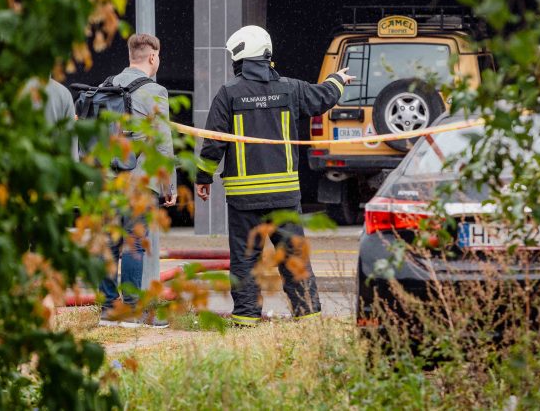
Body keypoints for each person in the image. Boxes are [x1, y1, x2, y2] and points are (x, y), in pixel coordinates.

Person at [195, 25, 354, 326]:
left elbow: (213, 140)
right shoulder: (291, 89)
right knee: (293, 258)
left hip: (244, 199)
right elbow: (323, 98)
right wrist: (338, 80)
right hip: (284, 196)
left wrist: (203, 179)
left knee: (244, 262)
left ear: (241, 57)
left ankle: (246, 319)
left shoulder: (229, 93)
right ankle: (308, 318)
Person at [99, 33, 177, 328]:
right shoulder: (155, 91)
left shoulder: (107, 86)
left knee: (108, 242)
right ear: (153, 57)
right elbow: (163, 143)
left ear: (131, 55)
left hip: (108, 179)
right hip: (140, 181)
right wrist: (169, 186)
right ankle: (132, 310)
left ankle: (108, 308)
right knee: (134, 244)